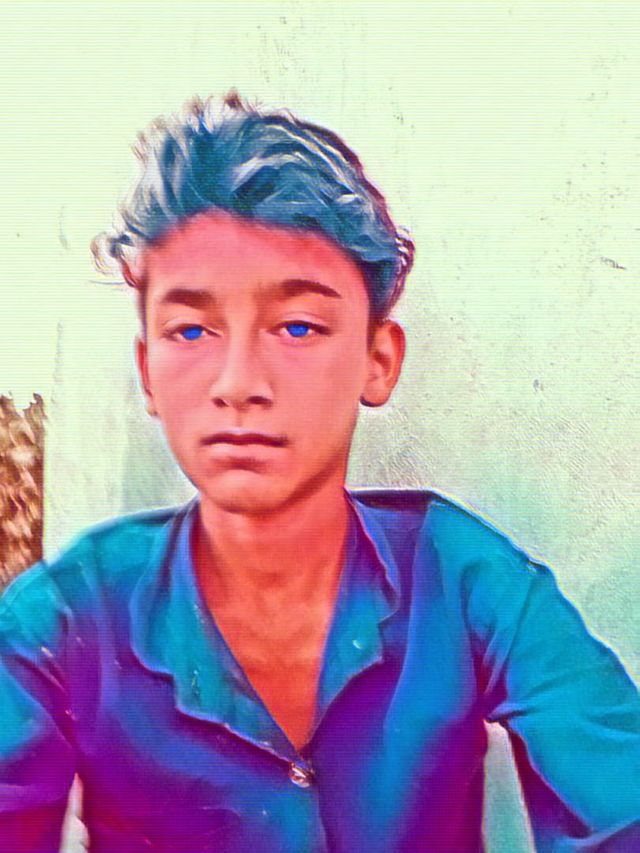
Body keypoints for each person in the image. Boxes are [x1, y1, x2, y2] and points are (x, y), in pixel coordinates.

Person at [0, 92, 638, 853]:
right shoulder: (66, 616)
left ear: (379, 359)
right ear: (147, 370)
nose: (239, 382)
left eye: (298, 326)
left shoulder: (464, 579)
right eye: (191, 330)